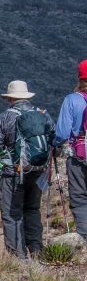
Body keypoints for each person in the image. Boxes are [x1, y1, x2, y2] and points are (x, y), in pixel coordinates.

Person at [0, 80, 54, 258]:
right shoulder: (43, 114)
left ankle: (18, 257)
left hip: (13, 173)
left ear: (10, 98)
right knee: (32, 209)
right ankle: (37, 250)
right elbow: (55, 142)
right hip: (39, 171)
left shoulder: (4, 118)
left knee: (12, 214)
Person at [53, 60, 87, 239]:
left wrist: (55, 144)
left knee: (80, 197)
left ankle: (84, 236)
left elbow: (62, 133)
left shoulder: (72, 100)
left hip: (78, 156)